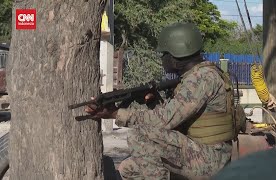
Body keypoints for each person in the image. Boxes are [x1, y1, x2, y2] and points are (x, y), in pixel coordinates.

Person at [85, 22, 239, 179]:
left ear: (174, 57)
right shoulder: (199, 76)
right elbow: (177, 118)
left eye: (164, 54)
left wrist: (116, 114)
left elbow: (165, 120)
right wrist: (153, 102)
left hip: (211, 159)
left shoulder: (200, 78)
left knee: (140, 136)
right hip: (201, 151)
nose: (162, 59)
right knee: (129, 169)